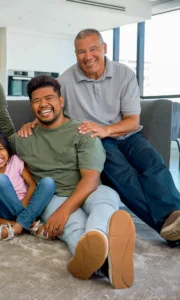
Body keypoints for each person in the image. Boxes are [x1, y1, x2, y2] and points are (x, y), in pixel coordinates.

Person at [19, 29, 180, 247]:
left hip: (127, 134)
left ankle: (174, 216)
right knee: (123, 176)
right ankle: (166, 225)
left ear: (104, 49)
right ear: (76, 55)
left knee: (153, 163)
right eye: (81, 52)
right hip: (97, 139)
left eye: (93, 49)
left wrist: (107, 129)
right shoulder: (66, 80)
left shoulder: (124, 74)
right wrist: (33, 123)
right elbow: (50, 104)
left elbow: (132, 121)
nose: (88, 56)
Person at [12, 75, 136, 289]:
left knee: (107, 198)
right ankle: (107, 264)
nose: (43, 104)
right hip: (53, 197)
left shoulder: (83, 132)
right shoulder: (23, 138)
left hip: (87, 190)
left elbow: (91, 179)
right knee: (73, 225)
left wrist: (64, 211)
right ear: (31, 106)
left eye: (49, 98)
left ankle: (96, 236)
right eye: (36, 100)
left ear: (61, 101)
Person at [0, 130, 56, 240]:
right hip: (5, 212)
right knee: (0, 179)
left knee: (48, 182)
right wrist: (13, 223)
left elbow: (32, 185)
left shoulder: (15, 160)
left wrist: (24, 205)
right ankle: (30, 225)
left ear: (8, 150)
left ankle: (20, 225)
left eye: (1, 149)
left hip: (29, 208)